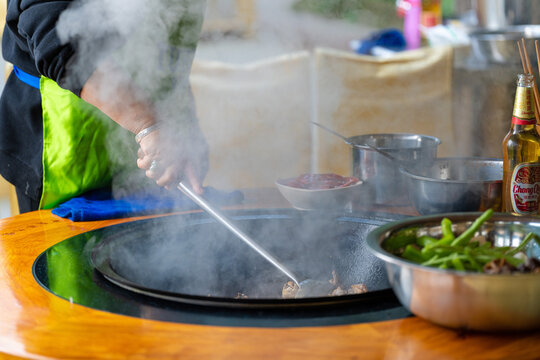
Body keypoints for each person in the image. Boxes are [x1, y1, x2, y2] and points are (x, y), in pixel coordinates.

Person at [0, 0, 209, 213]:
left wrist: (184, 130)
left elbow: (174, 41)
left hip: (159, 139)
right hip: (64, 137)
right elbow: (59, 42)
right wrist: (149, 125)